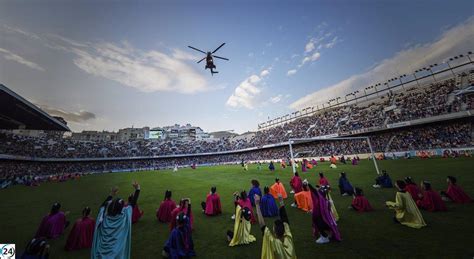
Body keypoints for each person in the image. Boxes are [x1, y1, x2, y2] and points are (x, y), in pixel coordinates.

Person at [91, 182, 140, 259]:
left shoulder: (103, 218)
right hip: (116, 252)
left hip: (101, 251)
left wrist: (111, 194)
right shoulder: (123, 216)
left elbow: (102, 206)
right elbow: (132, 204)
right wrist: (137, 189)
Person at [255, 194, 296, 259]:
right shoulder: (289, 238)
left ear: (274, 230)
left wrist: (257, 204)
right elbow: (285, 219)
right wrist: (281, 201)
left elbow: (262, 225)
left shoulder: (273, 243)